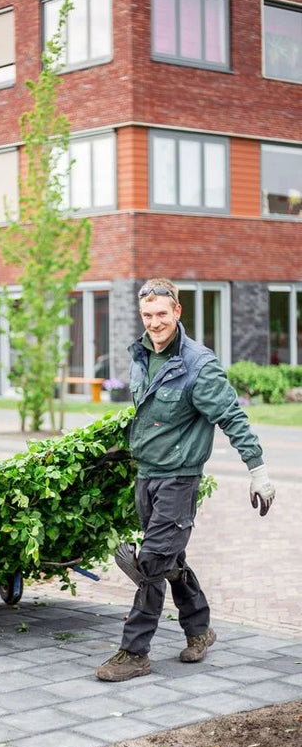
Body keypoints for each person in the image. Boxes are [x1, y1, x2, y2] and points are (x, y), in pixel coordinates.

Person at [96, 278, 275, 682]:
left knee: (152, 563)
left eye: (162, 314)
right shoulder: (140, 355)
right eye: (147, 315)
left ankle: (133, 652)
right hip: (147, 476)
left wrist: (258, 470)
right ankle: (200, 629)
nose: (154, 323)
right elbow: (146, 415)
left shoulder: (198, 364)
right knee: (171, 561)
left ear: (177, 312)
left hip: (179, 479)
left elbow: (231, 416)